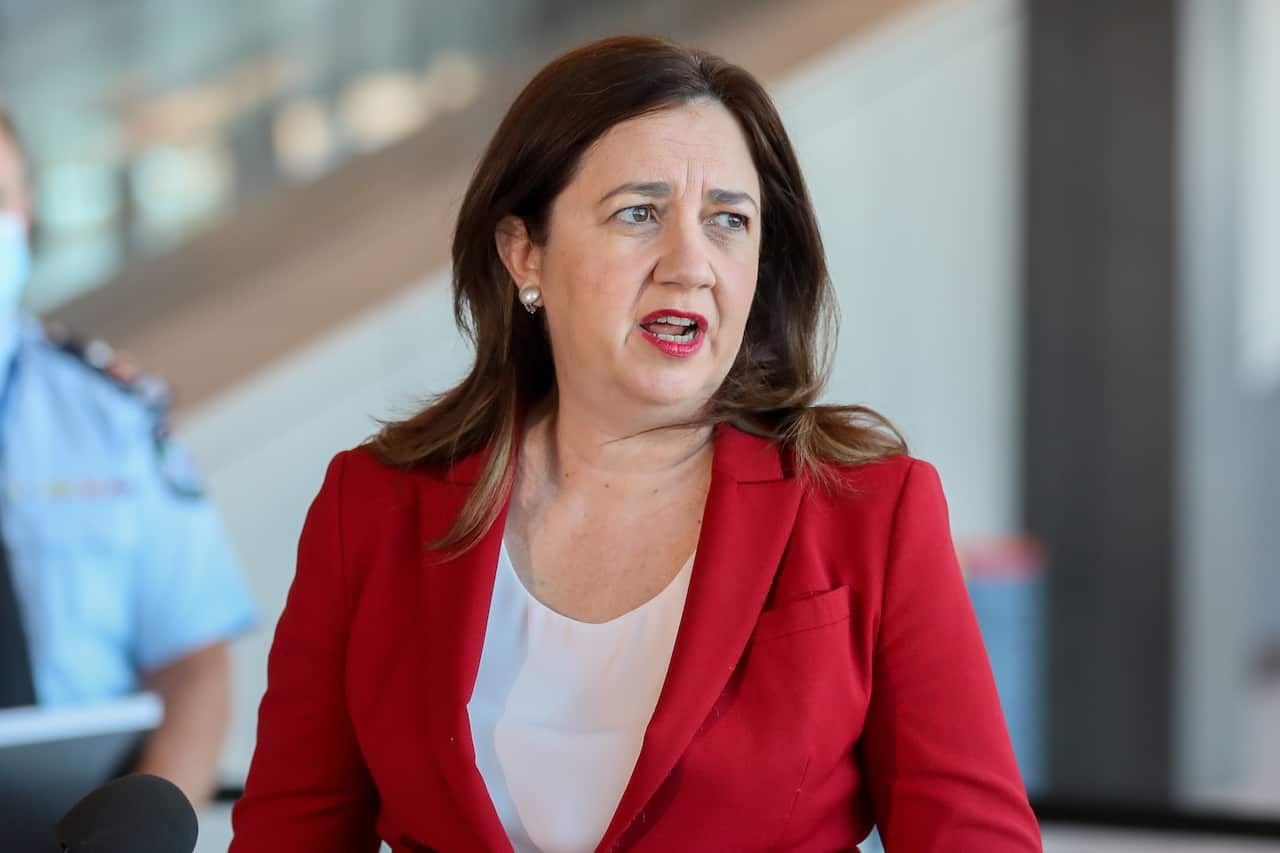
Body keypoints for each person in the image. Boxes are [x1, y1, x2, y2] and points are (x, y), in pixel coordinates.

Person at [230, 36, 1042, 852]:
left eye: (728, 219)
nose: (690, 264)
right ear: (525, 253)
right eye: (639, 213)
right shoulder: (370, 507)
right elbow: (287, 835)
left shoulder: (871, 511)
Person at [0, 104, 257, 807]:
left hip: (84, 822)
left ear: (26, 212)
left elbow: (194, 665)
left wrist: (147, 833)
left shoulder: (111, 417)